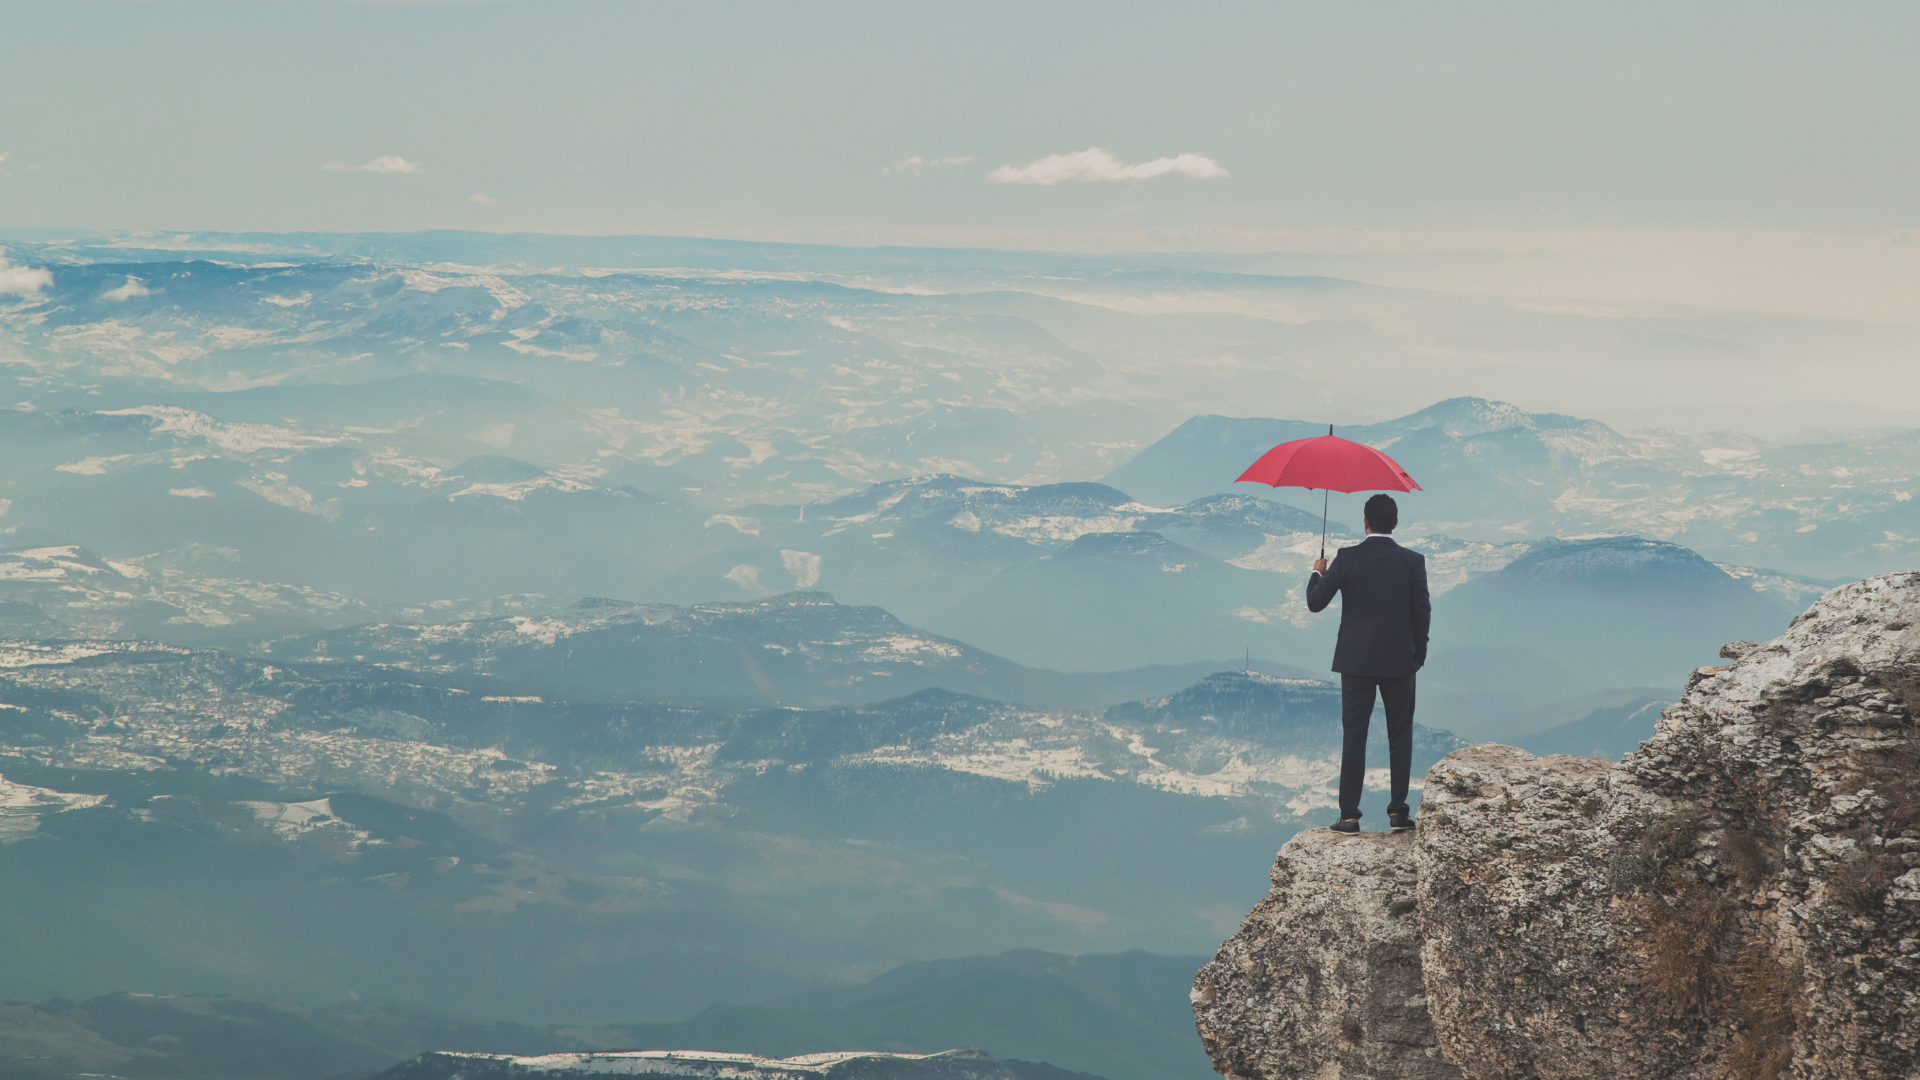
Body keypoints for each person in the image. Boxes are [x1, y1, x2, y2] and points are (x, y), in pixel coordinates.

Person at [1305, 493, 1430, 834]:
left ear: (1365, 522)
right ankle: (1398, 813)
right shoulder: (1412, 562)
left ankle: (1349, 816)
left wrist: (1317, 574)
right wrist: (1417, 655)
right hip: (1400, 661)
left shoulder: (1346, 559)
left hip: (1355, 661)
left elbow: (1315, 603)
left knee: (1354, 736)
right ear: (1395, 523)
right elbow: (1423, 613)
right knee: (1400, 734)